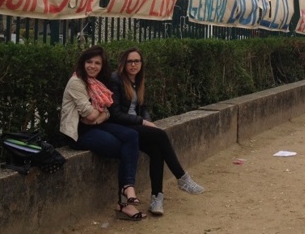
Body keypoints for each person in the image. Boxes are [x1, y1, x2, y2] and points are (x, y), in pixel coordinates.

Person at [108, 48, 205, 216]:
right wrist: (143, 122)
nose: (133, 65)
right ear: (124, 63)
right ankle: (182, 178)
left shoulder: (138, 80)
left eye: (137, 61)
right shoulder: (116, 79)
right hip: (121, 126)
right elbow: (115, 114)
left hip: (135, 125)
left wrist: (148, 121)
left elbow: (143, 107)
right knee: (160, 135)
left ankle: (156, 198)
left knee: (156, 150)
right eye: (130, 61)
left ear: (141, 64)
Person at [60, 46, 146, 221]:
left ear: (102, 65)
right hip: (79, 132)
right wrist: (99, 116)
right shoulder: (76, 82)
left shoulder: (99, 82)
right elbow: (89, 114)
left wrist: (99, 117)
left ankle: (127, 188)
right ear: (83, 63)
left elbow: (106, 113)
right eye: (89, 62)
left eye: (97, 63)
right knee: (122, 148)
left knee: (131, 136)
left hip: (96, 126)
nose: (93, 66)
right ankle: (124, 203)